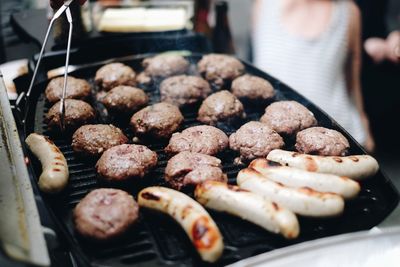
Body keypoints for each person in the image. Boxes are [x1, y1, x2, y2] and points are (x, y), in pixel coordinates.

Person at [252, 0, 375, 152]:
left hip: (339, 134)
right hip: (272, 138)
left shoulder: (348, 12)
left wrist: (363, 122)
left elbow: (352, 80)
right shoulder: (265, 4)